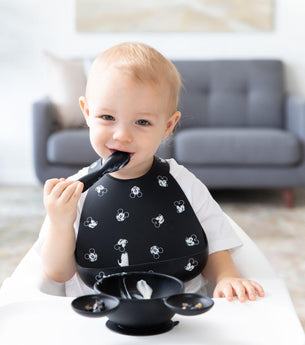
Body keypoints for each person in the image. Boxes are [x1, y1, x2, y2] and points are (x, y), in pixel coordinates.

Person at [39, 42, 264, 302]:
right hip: (100, 314)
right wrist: (59, 222)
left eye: (142, 122)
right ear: (87, 113)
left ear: (168, 126)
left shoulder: (183, 183)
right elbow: (58, 273)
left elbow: (214, 243)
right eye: (107, 117)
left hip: (180, 309)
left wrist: (226, 277)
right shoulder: (75, 193)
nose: (122, 135)